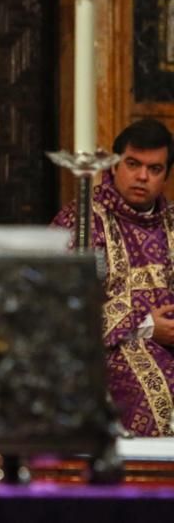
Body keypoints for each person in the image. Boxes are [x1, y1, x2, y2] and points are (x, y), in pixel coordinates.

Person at [53, 118, 174, 437]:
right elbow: (60, 305)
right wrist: (146, 326)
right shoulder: (80, 221)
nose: (142, 176)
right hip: (110, 350)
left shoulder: (172, 223)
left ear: (166, 175)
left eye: (155, 168)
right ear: (113, 164)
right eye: (133, 164)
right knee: (154, 396)